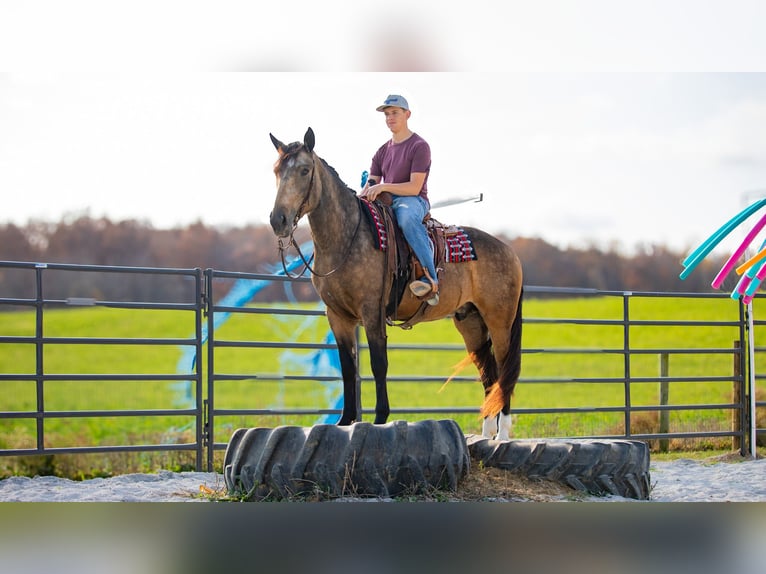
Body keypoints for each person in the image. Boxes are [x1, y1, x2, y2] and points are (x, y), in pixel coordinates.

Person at [361, 94, 439, 305]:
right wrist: (357, 199)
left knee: (405, 219)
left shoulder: (419, 146)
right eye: (386, 114)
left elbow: (414, 186)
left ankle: (431, 278)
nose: (389, 118)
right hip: (385, 199)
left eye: (394, 113)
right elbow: (371, 182)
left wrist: (384, 186)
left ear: (407, 114)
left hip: (413, 200)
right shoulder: (381, 151)